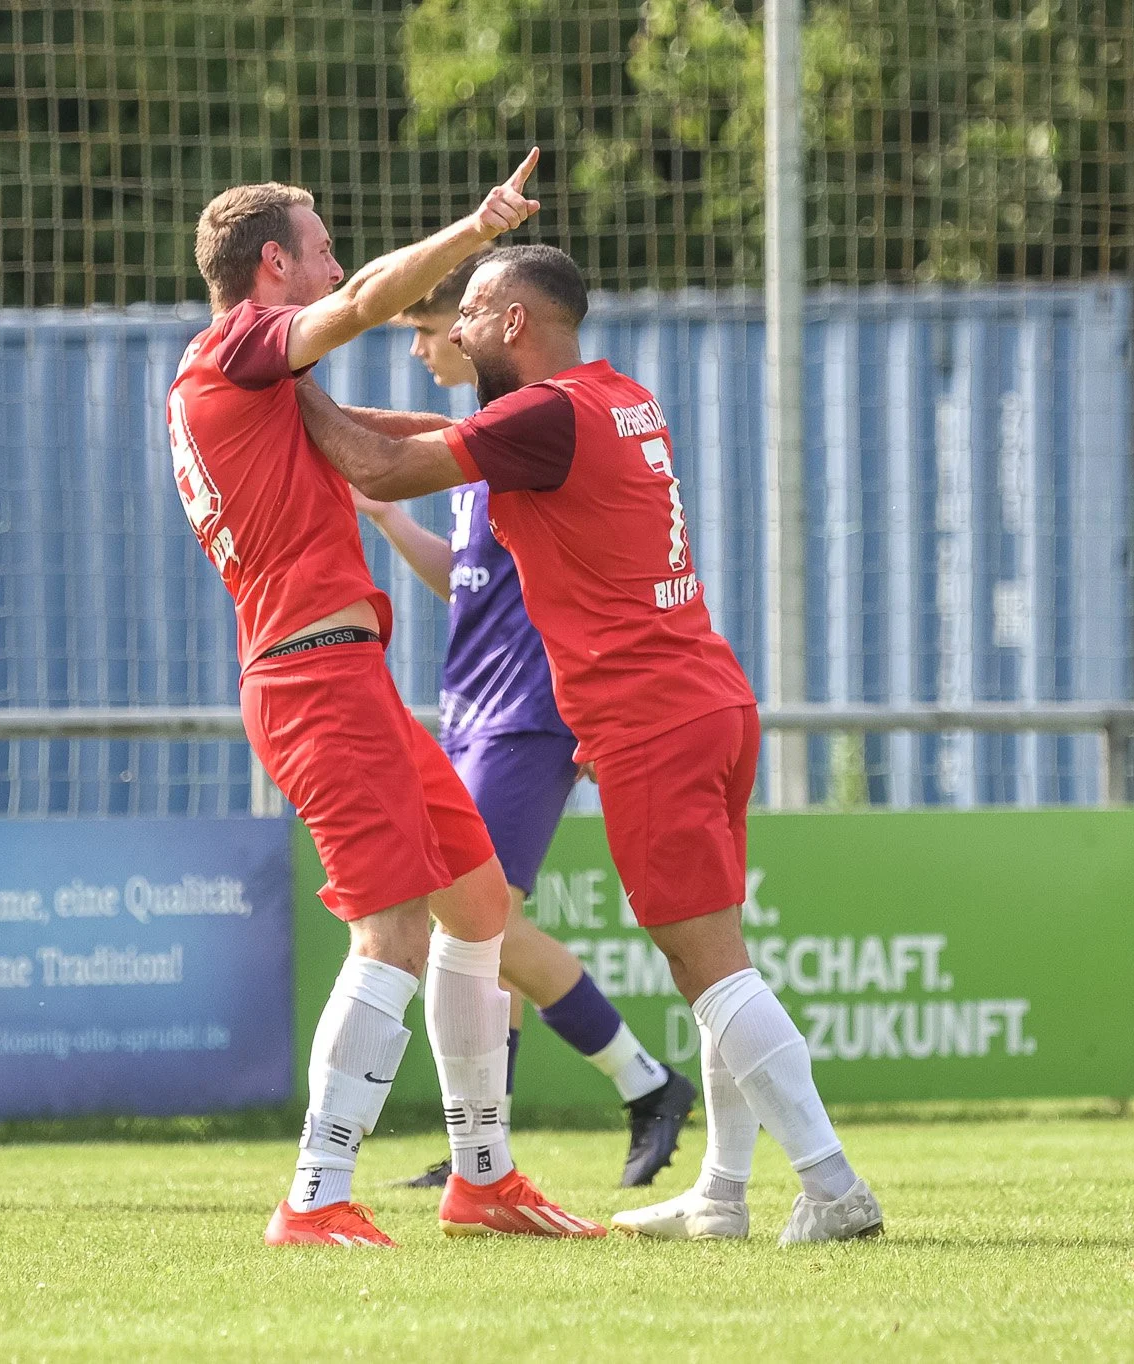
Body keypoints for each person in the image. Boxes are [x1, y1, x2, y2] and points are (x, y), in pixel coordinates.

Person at [295, 244, 883, 1245]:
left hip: (649, 716)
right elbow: (435, 434)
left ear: (513, 321)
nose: (453, 332)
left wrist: (285, 378)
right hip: (706, 697)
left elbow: (384, 463)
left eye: (468, 313)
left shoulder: (541, 416)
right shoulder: (610, 397)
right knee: (711, 959)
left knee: (710, 971)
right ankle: (722, 1191)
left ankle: (832, 1185)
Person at [171, 150, 604, 1247]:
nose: (338, 263)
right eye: (318, 245)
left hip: (341, 673)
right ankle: (315, 1193)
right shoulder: (234, 347)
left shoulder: (260, 380)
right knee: (391, 926)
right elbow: (369, 303)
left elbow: (390, 441)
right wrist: (474, 230)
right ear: (271, 263)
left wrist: (552, 437)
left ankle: (482, 1178)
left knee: (477, 908)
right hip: (310, 675)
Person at [357, 257, 696, 1191]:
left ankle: (644, 1079)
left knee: (479, 918)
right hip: (473, 707)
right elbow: (466, 584)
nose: (432, 345)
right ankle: (483, 1149)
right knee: (480, 931)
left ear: (496, 325)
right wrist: (389, 524)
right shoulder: (478, 448)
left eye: (435, 328)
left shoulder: (532, 431)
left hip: (525, 714)